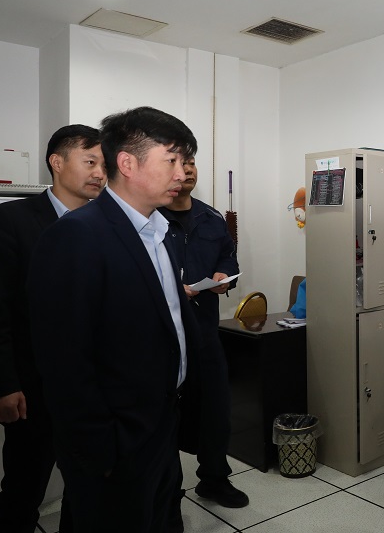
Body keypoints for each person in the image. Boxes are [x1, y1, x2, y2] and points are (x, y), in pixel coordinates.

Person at [27, 107, 201, 533]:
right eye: (172, 160)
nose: (182, 173)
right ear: (127, 163)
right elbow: (64, 359)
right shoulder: (76, 235)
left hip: (161, 421)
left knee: (160, 516)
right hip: (115, 437)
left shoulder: (162, 232)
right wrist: (98, 449)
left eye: (185, 161)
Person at [0, 125, 104, 533]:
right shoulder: (10, 220)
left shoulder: (107, 225)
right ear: (57, 162)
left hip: (94, 388)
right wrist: (2, 385)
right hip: (33, 389)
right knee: (23, 487)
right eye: (90, 162)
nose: (100, 173)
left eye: (105, 165)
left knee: (88, 488)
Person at [159, 153, 247, 527]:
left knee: (216, 409)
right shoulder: (148, 216)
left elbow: (229, 258)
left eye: (192, 163)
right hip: (163, 335)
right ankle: (167, 493)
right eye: (179, 163)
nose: (188, 170)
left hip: (205, 331)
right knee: (164, 417)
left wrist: (224, 276)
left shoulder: (211, 218)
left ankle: (214, 479)